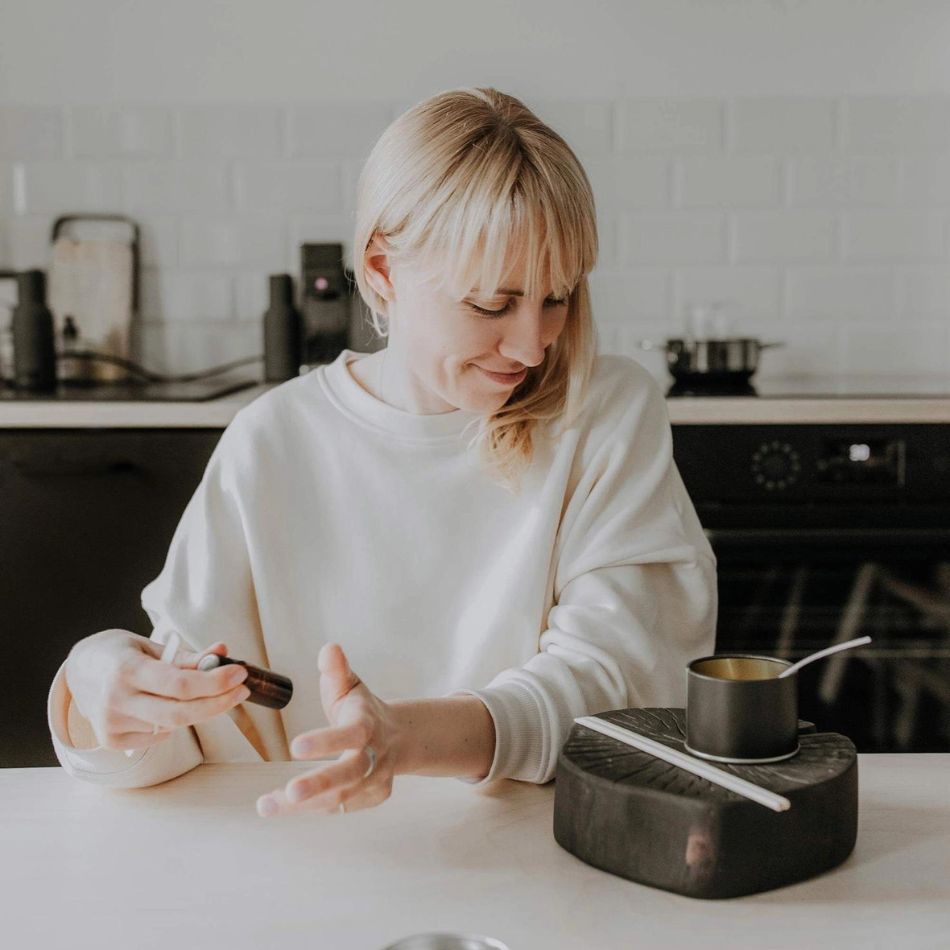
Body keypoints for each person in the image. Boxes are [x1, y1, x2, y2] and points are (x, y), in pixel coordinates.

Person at [47, 86, 717, 819]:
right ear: (381, 272)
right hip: (309, 866)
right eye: (491, 304)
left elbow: (626, 688)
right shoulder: (272, 441)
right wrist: (95, 686)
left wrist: (408, 739)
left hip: (550, 862)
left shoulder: (606, 412)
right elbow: (184, 734)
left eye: (556, 297)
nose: (532, 343)